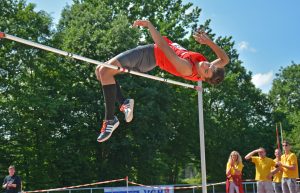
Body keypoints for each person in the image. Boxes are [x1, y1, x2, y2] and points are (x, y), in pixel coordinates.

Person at [95, 19, 230, 142]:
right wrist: (208, 42)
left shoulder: (186, 68)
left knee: (104, 70)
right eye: (210, 64)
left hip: (148, 55)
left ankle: (109, 119)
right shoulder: (204, 66)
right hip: (148, 61)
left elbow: (162, 45)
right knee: (100, 72)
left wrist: (149, 25)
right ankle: (123, 104)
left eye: (207, 70)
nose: (206, 65)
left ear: (203, 78)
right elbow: (225, 60)